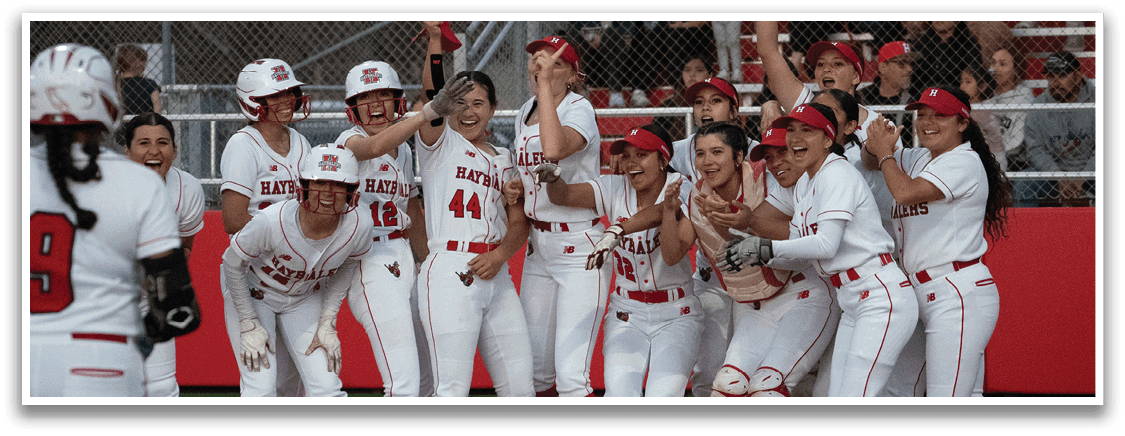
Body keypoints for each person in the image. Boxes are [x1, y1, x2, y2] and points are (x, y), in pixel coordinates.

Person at [30, 43, 200, 396]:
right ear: (107, 104)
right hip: (103, 354)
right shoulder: (138, 182)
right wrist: (140, 336)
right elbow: (176, 308)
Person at [719, 103, 919, 397]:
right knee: (836, 396)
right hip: (853, 297)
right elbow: (800, 239)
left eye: (807, 131)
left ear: (828, 140)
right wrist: (759, 251)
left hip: (879, 295)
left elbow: (826, 245)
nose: (796, 138)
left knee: (854, 396)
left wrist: (762, 248)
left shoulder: (836, 173)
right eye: (791, 131)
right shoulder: (806, 183)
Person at [531, 124, 702, 397]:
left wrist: (618, 228)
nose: (632, 162)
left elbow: (660, 217)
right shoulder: (613, 185)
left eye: (642, 154)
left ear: (663, 159)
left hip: (677, 314)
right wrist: (554, 180)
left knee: (664, 396)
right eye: (627, 154)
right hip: (627, 313)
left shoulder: (681, 186)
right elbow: (563, 197)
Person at [334, 58, 471, 397]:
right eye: (365, 98)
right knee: (403, 383)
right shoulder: (347, 142)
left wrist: (426, 263)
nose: (375, 105)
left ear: (396, 100)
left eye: (383, 94)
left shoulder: (404, 151)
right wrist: (425, 114)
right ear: (353, 107)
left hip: (403, 258)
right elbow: (373, 147)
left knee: (426, 380)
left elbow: (411, 209)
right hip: (368, 260)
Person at [865, 86, 1013, 396]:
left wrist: (885, 153)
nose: (928, 122)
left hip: (956, 292)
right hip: (923, 292)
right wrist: (876, 144)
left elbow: (905, 193)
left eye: (940, 115)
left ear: (962, 123)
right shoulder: (920, 157)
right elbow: (869, 161)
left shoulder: (963, 161)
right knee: (919, 391)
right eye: (922, 114)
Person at [416, 21, 535, 396]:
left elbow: (520, 223)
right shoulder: (440, 142)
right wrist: (436, 41)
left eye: (478, 103)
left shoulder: (505, 158)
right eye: (461, 103)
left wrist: (501, 255)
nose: (468, 111)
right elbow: (432, 95)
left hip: (495, 272)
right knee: (451, 388)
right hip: (451, 268)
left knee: (521, 387)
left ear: (493, 108)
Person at [502, 35, 609, 397]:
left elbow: (554, 149)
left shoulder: (578, 107)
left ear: (574, 75)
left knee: (571, 375)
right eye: (536, 59)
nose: (540, 66)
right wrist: (518, 184)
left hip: (580, 245)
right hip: (539, 247)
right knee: (534, 371)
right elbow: (534, 167)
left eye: (553, 62)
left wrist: (545, 89)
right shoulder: (525, 110)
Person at [221, 144, 372, 397]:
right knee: (261, 387)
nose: (328, 193)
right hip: (255, 293)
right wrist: (248, 321)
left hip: (304, 297)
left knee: (327, 386)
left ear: (350, 191)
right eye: (320, 182)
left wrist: (328, 321)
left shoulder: (359, 224)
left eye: (338, 185)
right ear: (304, 185)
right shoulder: (272, 220)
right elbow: (231, 263)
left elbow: (348, 265)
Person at [699, 126, 840, 397]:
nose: (776, 162)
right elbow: (747, 231)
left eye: (782, 152)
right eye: (770, 157)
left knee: (767, 387)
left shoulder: (830, 181)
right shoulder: (787, 191)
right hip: (768, 301)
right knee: (725, 386)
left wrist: (757, 243)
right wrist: (722, 220)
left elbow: (810, 239)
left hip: (810, 294)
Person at [219, 57, 312, 397]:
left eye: (290, 92)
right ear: (253, 101)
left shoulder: (301, 143)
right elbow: (232, 218)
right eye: (275, 95)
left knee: (292, 383)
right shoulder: (243, 144)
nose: (287, 100)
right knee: (261, 382)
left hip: (292, 277)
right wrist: (285, 238)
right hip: (250, 276)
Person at [119, 112, 206, 397]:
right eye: (143, 142)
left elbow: (185, 247)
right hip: (105, 301)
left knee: (162, 387)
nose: (154, 150)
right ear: (127, 150)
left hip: (153, 297)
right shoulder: (106, 185)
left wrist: (161, 289)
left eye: (163, 142)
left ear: (175, 150)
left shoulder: (187, 187)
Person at [755, 20, 904, 153]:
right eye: (820, 64)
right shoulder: (805, 105)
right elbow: (768, 51)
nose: (826, 69)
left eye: (837, 64)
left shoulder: (880, 126)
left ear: (855, 77)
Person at [1024, 50, 1096, 207]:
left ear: (1078, 76)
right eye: (1051, 76)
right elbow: (1036, 150)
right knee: (1025, 182)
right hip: (1054, 173)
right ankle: (1023, 231)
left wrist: (1083, 176)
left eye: (1062, 75)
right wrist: (1058, 175)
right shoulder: (1038, 107)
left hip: (1093, 172)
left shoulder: (1096, 101)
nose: (1055, 83)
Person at [858, 41, 917, 146]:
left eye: (911, 63)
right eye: (902, 63)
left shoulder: (915, 98)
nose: (910, 69)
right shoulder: (862, 97)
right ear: (883, 67)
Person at [908, 22, 982, 102]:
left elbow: (972, 76)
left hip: (955, 99)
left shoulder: (968, 44)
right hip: (923, 98)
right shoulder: (920, 43)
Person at [653, 52, 716, 141]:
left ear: (710, 74)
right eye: (687, 70)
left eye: (699, 70)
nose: (692, 74)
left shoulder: (718, 102)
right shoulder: (669, 105)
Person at [960, 64, 1007, 170]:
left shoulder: (987, 108)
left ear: (982, 86)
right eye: (961, 81)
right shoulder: (965, 108)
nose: (962, 86)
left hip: (994, 157)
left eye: (968, 82)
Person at [114, 44, 161, 115]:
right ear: (138, 64)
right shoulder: (150, 85)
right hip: (145, 124)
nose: (145, 67)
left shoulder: (115, 84)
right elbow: (158, 111)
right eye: (144, 63)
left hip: (123, 125)